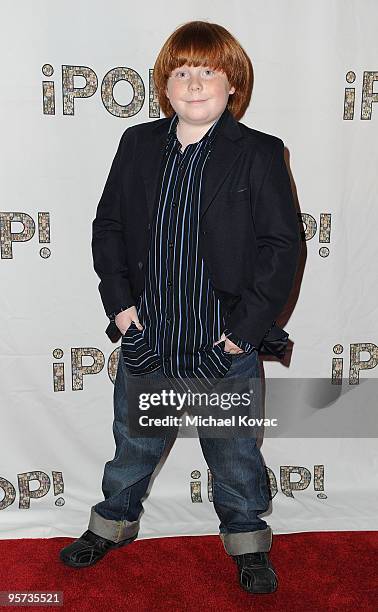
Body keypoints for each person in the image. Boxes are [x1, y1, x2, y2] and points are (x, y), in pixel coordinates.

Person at [60, 20, 301, 595]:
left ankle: (246, 540)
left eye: (208, 71)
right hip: (150, 337)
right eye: (181, 72)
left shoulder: (260, 153)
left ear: (232, 82)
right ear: (164, 86)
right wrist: (120, 310)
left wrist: (244, 333)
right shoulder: (138, 145)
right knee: (133, 445)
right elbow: (109, 227)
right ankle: (112, 525)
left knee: (236, 456)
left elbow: (281, 247)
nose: (194, 84)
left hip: (224, 343)